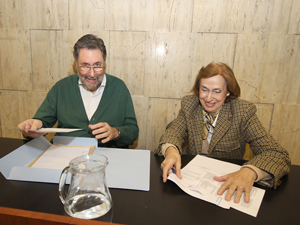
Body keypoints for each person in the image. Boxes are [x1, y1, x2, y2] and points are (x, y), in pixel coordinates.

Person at [156, 62, 291, 203]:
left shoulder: (242, 112)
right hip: (193, 188)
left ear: (228, 91)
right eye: (204, 89)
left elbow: (277, 153)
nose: (208, 98)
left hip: (226, 189)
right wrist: (171, 151)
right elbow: (173, 131)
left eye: (217, 91)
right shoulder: (190, 105)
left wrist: (250, 172)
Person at [18, 34, 139, 148]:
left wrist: (115, 132)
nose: (92, 74)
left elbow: (133, 131)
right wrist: (32, 127)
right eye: (85, 65)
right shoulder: (61, 88)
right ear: (76, 65)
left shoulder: (119, 87)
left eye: (97, 65)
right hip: (64, 155)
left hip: (107, 158)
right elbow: (41, 123)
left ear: (104, 64)